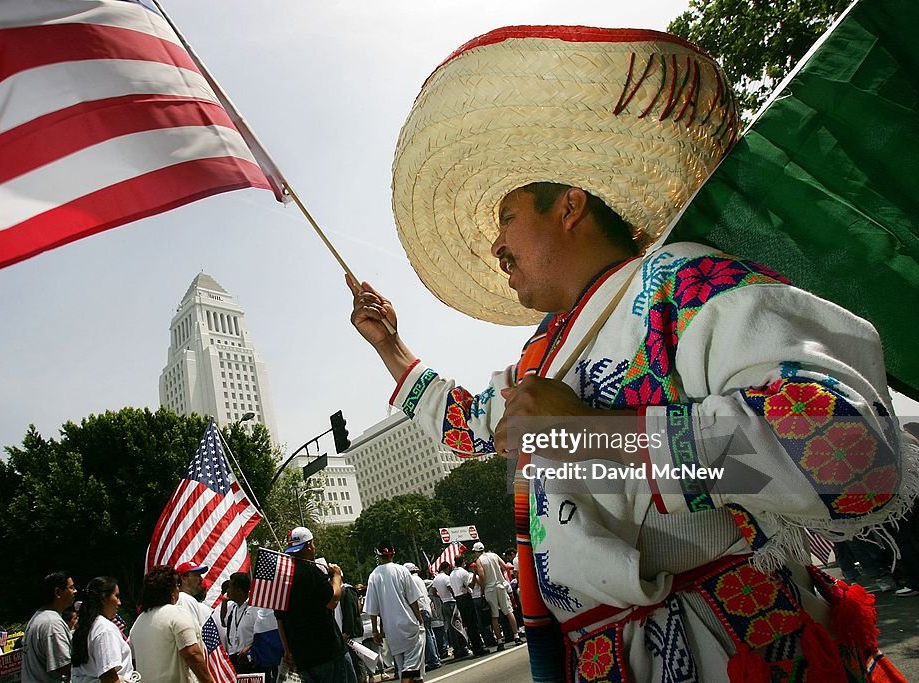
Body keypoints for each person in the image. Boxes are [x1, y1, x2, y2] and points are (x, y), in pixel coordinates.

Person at [348, 24, 916, 682]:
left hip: (737, 648)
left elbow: (851, 447)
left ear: (569, 204)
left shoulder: (684, 283)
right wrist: (391, 346)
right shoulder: (540, 356)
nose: (494, 247)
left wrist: (591, 435)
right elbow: (474, 422)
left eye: (506, 216)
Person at [273, 527, 354, 683]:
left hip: (302, 658)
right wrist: (336, 577)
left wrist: (288, 650)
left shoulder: (282, 580)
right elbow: (332, 600)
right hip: (328, 653)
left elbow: (280, 620)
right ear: (309, 545)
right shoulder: (312, 572)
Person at [130, 565, 215, 683]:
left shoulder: (138, 624)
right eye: (176, 586)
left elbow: (134, 661)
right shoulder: (177, 613)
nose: (178, 590)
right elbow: (192, 654)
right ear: (170, 590)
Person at [363, 543, 425, 683]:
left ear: (378, 555)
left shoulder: (374, 576)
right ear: (393, 553)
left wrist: (375, 631)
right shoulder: (401, 570)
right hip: (409, 625)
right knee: (411, 669)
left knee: (410, 671)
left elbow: (372, 608)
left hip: (392, 631)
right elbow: (412, 599)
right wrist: (419, 618)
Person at [70, 576, 134, 683]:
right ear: (103, 598)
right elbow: (109, 678)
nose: (119, 603)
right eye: (116, 596)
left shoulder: (86, 627)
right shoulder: (105, 629)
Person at [22, 571, 75, 683]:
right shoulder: (52, 623)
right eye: (71, 587)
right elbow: (66, 667)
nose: (75, 591)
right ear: (57, 592)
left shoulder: (39, 617)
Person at [472, 543, 522, 650]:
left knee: (494, 616)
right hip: (500, 585)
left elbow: (481, 575)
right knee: (509, 611)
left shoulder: (479, 561)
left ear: (476, 551)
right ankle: (516, 635)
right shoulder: (494, 555)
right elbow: (505, 566)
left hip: (489, 588)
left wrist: (482, 588)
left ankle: (499, 641)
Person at [402, 563, 440, 671]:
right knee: (430, 634)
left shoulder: (412, 581)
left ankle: (433, 660)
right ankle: (436, 657)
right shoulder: (419, 579)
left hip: (420, 610)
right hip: (426, 608)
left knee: (426, 636)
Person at [447, 557, 486, 657]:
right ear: (463, 562)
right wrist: (474, 575)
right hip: (466, 598)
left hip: (458, 598)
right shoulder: (463, 572)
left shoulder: (451, 574)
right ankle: (478, 647)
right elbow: (471, 586)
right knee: (473, 623)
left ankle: (474, 644)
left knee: (467, 624)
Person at [430, 563, 466, 660]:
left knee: (450, 627)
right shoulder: (446, 578)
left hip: (444, 603)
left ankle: (456, 648)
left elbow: (433, 591)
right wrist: (455, 596)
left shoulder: (436, 579)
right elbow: (451, 589)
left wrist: (441, 596)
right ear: (447, 568)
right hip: (451, 602)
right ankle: (462, 648)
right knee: (457, 625)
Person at [174, 560, 211, 632]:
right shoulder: (185, 599)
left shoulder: (181, 598)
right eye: (197, 575)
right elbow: (191, 633)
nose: (201, 579)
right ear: (184, 578)